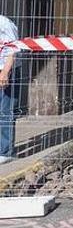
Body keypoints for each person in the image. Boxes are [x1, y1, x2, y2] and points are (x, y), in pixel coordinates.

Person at [0, 14, 20, 165]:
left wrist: (6, 71)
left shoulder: (4, 23)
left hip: (5, 70)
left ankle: (5, 151)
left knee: (5, 110)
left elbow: (13, 48)